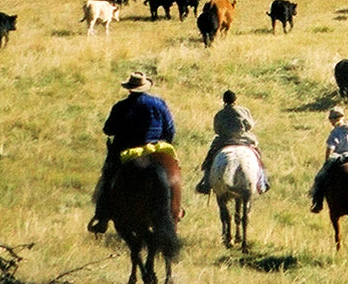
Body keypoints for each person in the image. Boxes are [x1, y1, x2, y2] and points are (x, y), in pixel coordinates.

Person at [89, 71, 178, 233]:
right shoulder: (160, 104)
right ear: (145, 87)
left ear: (129, 89)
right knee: (174, 171)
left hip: (127, 149)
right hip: (157, 147)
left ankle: (102, 217)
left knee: (108, 176)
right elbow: (170, 130)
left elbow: (108, 129)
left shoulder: (120, 106)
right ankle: (177, 209)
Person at [193, 90, 263, 195]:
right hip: (243, 139)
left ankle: (206, 183)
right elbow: (250, 126)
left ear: (224, 100)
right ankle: (262, 183)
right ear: (235, 100)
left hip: (224, 141)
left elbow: (217, 130)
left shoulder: (219, 114)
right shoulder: (244, 111)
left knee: (209, 159)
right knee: (258, 157)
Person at [309, 106, 348, 213]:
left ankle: (318, 203)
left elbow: (330, 149)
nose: (331, 122)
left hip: (341, 156)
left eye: (331, 119)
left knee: (320, 178)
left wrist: (326, 163)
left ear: (333, 119)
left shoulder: (336, 132)